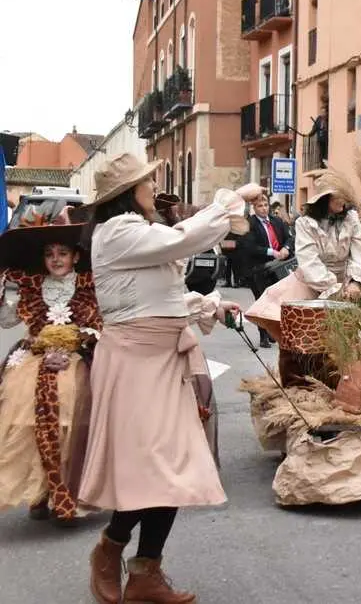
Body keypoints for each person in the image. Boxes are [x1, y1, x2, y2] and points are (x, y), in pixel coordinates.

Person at [79, 153, 263, 604]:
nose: (152, 186)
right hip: (134, 362)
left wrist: (210, 307)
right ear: (127, 193)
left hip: (165, 357)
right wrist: (231, 199)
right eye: (145, 181)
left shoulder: (138, 233)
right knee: (153, 468)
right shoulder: (118, 232)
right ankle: (111, 548)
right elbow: (185, 238)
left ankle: (145, 572)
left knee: (176, 465)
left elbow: (164, 296)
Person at [0, 208, 101, 524]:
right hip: (35, 358)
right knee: (24, 417)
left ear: (75, 256)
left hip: (76, 360)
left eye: (63, 253)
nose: (56, 259)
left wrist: (80, 338)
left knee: (71, 419)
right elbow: (7, 321)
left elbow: (102, 323)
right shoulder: (31, 287)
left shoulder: (88, 285)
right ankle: (40, 492)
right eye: (49, 254)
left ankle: (67, 492)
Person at [246, 169, 361, 384]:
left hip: (349, 283)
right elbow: (309, 261)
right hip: (311, 283)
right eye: (339, 196)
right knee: (299, 336)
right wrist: (332, 287)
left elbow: (359, 252)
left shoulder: (351, 218)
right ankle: (298, 383)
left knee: (358, 334)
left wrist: (356, 282)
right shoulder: (305, 223)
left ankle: (347, 383)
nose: (345, 201)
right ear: (326, 199)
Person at [237, 193, 294, 348]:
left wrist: (286, 248)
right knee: (262, 301)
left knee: (277, 301)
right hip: (259, 268)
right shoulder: (249, 224)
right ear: (254, 208)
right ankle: (263, 335)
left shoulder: (277, 221)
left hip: (278, 267)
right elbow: (249, 246)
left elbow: (289, 238)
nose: (263, 209)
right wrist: (271, 252)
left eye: (265, 205)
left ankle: (272, 331)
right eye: (260, 206)